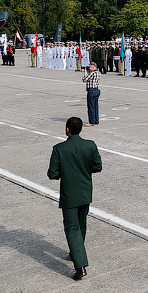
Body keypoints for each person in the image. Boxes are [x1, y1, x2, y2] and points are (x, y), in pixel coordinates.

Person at [47, 116, 103, 281]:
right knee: (81, 224)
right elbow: (97, 167)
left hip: (69, 195)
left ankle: (80, 266)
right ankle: (75, 251)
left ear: (67, 130)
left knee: (71, 228)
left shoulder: (59, 149)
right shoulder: (90, 145)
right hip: (85, 192)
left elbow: (52, 174)